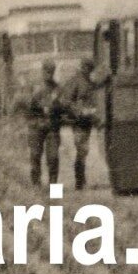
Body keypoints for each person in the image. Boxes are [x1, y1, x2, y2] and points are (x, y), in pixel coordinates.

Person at [55, 59, 103, 191]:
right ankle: (79, 182)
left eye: (89, 68)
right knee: (81, 149)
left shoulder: (90, 83)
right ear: (83, 67)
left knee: (83, 150)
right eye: (87, 68)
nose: (88, 71)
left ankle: (81, 181)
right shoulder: (75, 81)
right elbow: (66, 101)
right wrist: (79, 111)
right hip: (78, 121)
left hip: (87, 121)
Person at [19, 62, 64, 186]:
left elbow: (64, 105)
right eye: (47, 72)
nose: (49, 75)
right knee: (35, 155)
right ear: (42, 71)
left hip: (52, 127)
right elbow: (26, 104)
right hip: (36, 126)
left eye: (51, 72)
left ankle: (55, 191)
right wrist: (40, 107)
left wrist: (56, 107)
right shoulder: (34, 86)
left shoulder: (58, 88)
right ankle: (36, 185)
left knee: (53, 158)